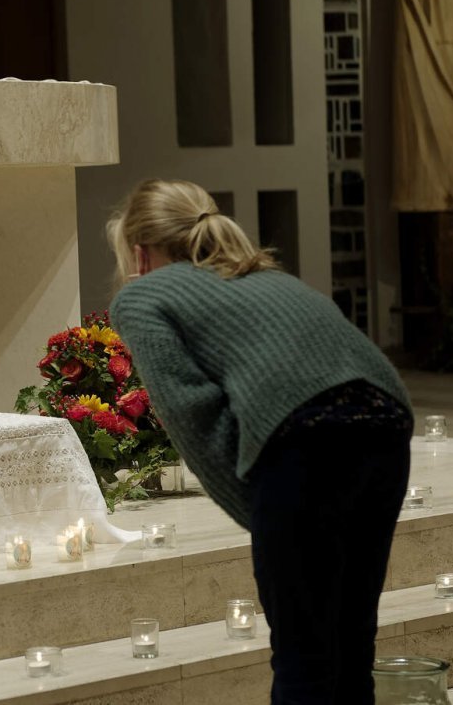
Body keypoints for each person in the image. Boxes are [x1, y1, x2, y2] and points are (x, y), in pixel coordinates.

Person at [106, 179, 413, 705]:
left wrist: (267, 515)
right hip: (387, 424)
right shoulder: (267, 277)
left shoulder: (143, 293)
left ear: (139, 251)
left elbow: (191, 412)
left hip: (305, 442)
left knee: (303, 657)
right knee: (352, 642)